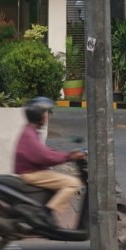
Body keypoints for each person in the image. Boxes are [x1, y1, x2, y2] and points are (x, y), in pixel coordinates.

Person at [14, 97, 86, 228]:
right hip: (32, 173)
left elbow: (45, 151)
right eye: (44, 113)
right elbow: (44, 156)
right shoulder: (30, 134)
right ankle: (46, 213)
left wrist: (66, 154)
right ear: (38, 116)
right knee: (73, 183)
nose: (46, 116)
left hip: (33, 171)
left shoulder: (30, 130)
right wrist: (69, 156)